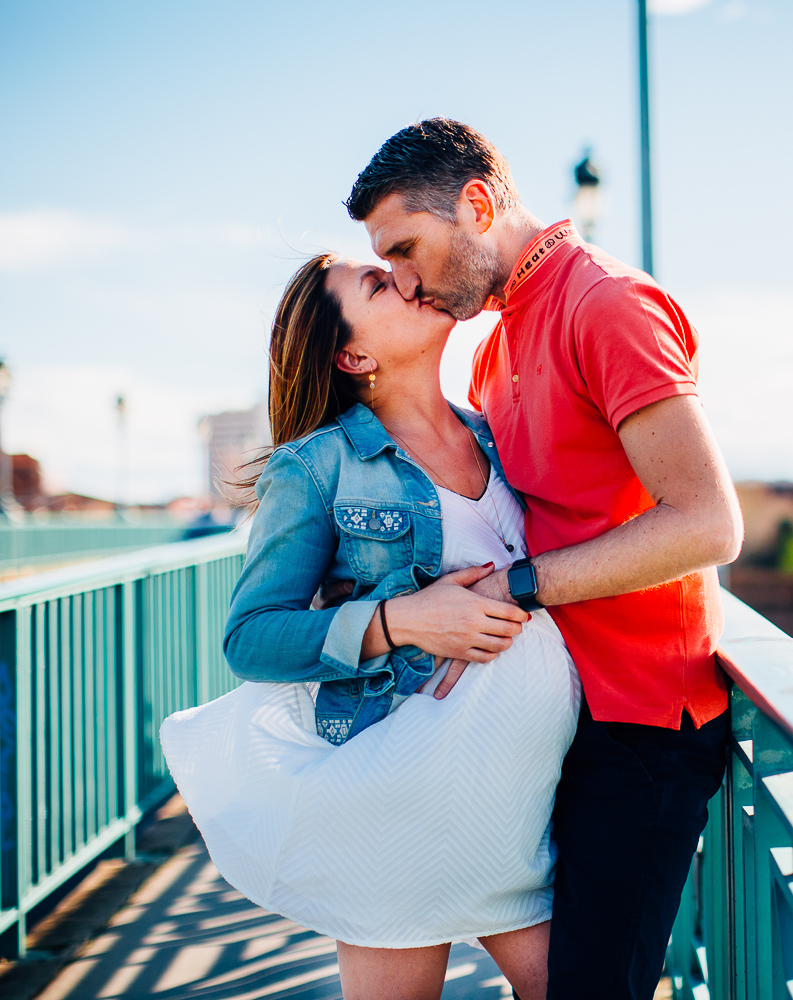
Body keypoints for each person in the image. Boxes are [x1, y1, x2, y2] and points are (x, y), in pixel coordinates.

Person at [345, 118, 744, 1000]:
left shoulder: (605, 303)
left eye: (408, 249)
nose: (404, 281)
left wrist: (518, 589)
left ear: (477, 205)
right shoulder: (495, 345)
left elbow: (711, 524)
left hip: (642, 723)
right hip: (550, 715)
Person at [160, 252, 581, 1000]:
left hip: (524, 802)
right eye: (381, 285)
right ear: (353, 355)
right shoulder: (318, 468)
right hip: (404, 804)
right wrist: (403, 618)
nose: (411, 281)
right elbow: (251, 636)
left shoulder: (501, 435)